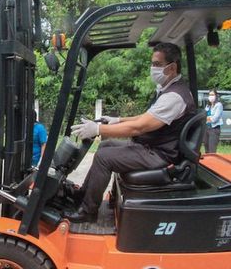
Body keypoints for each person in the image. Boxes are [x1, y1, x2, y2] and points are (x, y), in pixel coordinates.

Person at [67, 42, 196, 223]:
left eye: (157, 64)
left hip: (160, 154)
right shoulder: (169, 91)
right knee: (106, 145)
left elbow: (139, 127)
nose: (153, 68)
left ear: (172, 67)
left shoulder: (174, 97)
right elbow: (145, 117)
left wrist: (98, 129)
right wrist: (117, 120)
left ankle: (88, 211)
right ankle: (82, 194)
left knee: (104, 157)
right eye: (152, 63)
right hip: (153, 147)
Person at [204, 89, 223, 153]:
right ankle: (207, 163)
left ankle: (212, 162)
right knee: (206, 148)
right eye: (209, 95)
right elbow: (204, 115)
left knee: (212, 149)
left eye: (212, 94)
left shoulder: (219, 105)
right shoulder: (208, 105)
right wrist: (207, 118)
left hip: (214, 129)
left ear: (216, 96)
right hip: (206, 128)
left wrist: (206, 118)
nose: (211, 96)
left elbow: (215, 118)